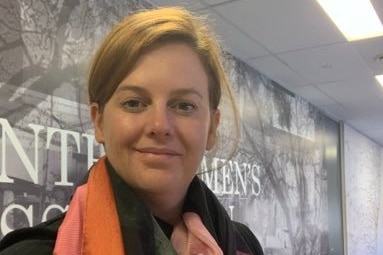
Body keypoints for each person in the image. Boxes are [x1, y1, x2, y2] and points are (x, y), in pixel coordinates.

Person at [0, 7, 264, 255]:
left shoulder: (243, 245)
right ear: (99, 122)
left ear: (212, 129)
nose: (159, 126)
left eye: (184, 106)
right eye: (134, 103)